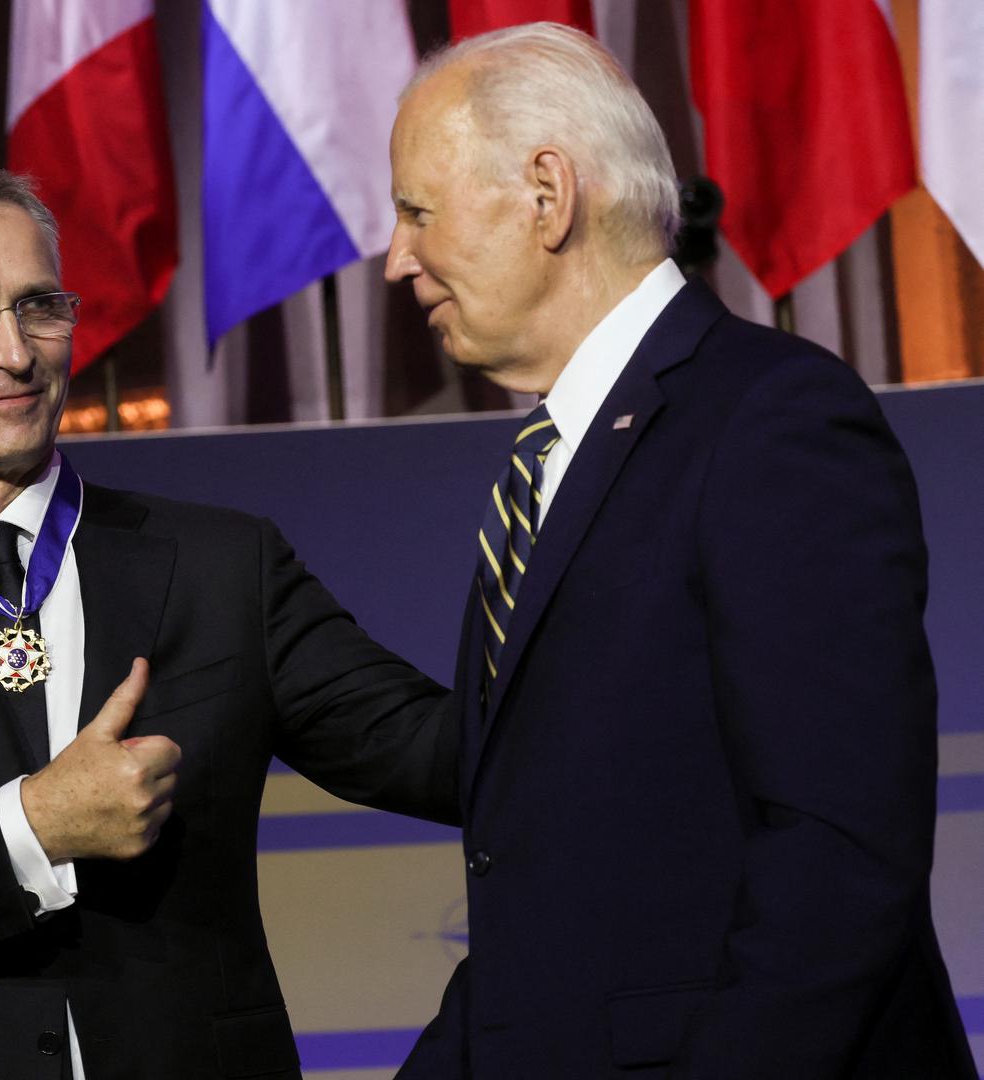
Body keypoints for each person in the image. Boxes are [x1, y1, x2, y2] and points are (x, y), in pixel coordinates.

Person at [0, 164, 456, 1079]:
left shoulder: (221, 566)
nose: (15, 353)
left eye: (39, 306)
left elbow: (440, 750)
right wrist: (31, 828)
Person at [384, 23, 975, 1079]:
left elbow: (837, 860)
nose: (397, 258)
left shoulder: (771, 420)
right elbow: (551, 901)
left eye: (417, 212)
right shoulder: (547, 461)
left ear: (547, 195)